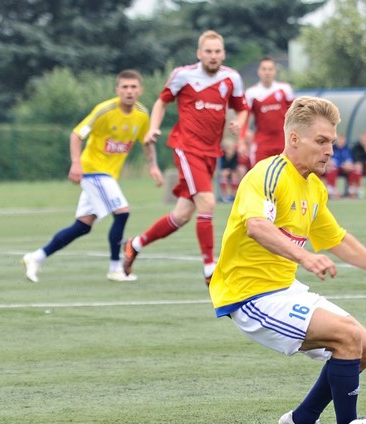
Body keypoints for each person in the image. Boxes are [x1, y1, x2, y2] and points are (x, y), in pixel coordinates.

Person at [209, 96, 366, 424]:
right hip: (250, 296)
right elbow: (256, 227)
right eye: (321, 141)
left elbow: (338, 240)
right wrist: (303, 255)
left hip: (283, 289)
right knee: (346, 337)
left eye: (332, 141)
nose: (330, 149)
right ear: (294, 139)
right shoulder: (268, 174)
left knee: (365, 347)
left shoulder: (314, 187)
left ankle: (303, 419)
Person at [123, 30, 249, 285]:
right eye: (208, 51)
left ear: (223, 54)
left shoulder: (231, 78)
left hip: (211, 152)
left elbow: (243, 108)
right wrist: (153, 128)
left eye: (217, 52)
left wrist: (239, 123)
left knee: (181, 215)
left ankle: (135, 244)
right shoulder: (183, 75)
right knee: (208, 202)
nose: (213, 56)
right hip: (186, 147)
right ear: (199, 53)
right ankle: (209, 269)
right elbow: (161, 102)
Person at [22, 70, 163, 283]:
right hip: (93, 170)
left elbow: (147, 142)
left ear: (140, 90)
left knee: (83, 226)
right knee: (122, 213)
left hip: (108, 176)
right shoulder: (105, 110)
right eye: (124, 87)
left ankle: (36, 257)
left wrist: (153, 166)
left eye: (133, 87)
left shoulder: (142, 114)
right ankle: (116, 268)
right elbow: (77, 134)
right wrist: (76, 164)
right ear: (117, 90)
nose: (129, 91)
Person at [240, 57, 294, 166]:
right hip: (262, 143)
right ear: (259, 72)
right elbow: (244, 119)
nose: (267, 72)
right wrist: (241, 141)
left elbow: (295, 114)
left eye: (270, 69)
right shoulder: (251, 93)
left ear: (275, 71)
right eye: (264, 69)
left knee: (287, 178)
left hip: (284, 142)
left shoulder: (285, 89)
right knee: (260, 178)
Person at [323, 133, 359, 199]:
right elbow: (330, 161)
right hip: (335, 168)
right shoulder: (332, 149)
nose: (341, 142)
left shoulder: (347, 149)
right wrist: (341, 165)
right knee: (332, 169)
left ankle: (353, 190)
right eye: (340, 140)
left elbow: (350, 160)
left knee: (355, 170)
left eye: (343, 140)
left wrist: (349, 165)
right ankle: (332, 191)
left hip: (345, 169)